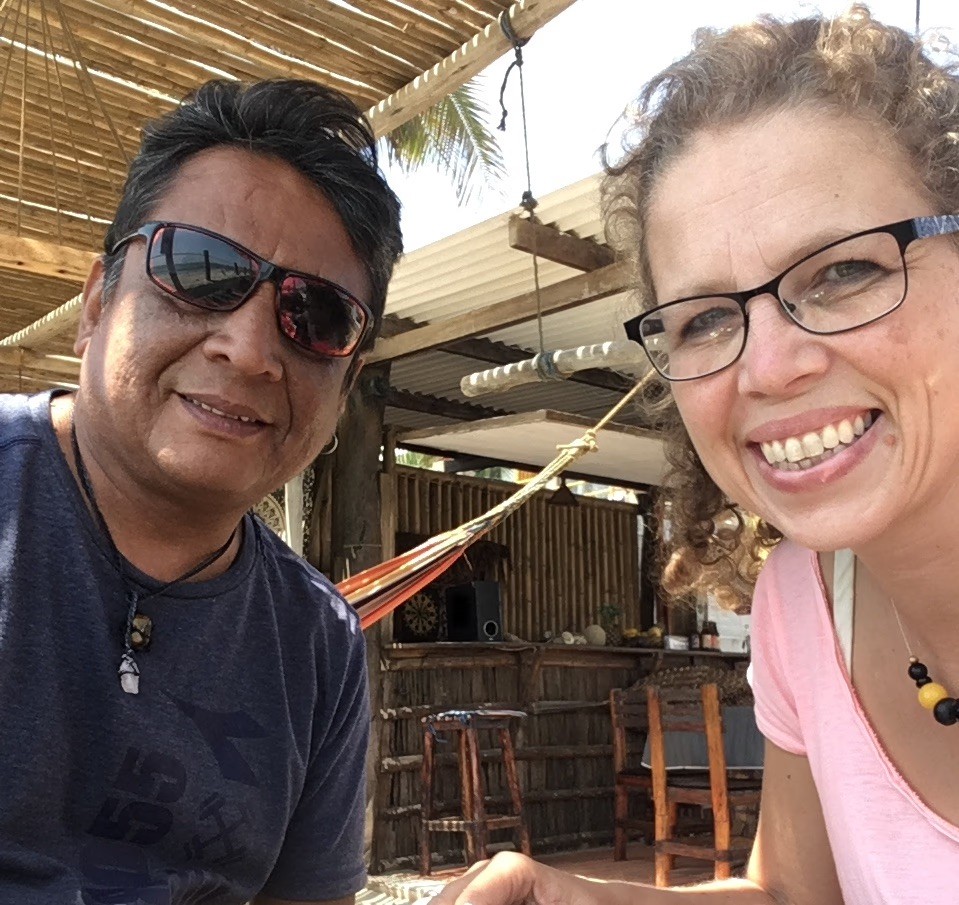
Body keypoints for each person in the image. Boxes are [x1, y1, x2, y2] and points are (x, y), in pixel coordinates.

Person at [432, 6, 959, 905]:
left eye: (842, 271)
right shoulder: (805, 602)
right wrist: (579, 898)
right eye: (706, 319)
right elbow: (795, 893)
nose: (767, 366)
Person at [0, 79, 402, 903]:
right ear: (95, 303)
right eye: (199, 266)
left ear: (346, 377)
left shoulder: (317, 643)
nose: (251, 348)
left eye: (317, 315)